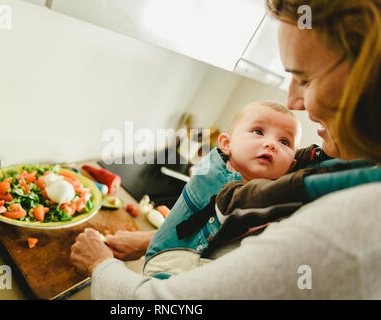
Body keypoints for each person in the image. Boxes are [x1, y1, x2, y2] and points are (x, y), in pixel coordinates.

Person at [70, 0, 381, 299]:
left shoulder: (355, 223)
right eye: (258, 131)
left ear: (369, 77)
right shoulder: (334, 172)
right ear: (226, 145)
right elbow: (239, 246)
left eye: (305, 78)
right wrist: (155, 240)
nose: (293, 102)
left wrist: (100, 265)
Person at [143, 101, 307, 278]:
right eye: (258, 132)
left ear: (290, 166)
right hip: (167, 267)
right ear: (226, 144)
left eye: (284, 141)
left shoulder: (272, 201)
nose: (271, 144)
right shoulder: (213, 173)